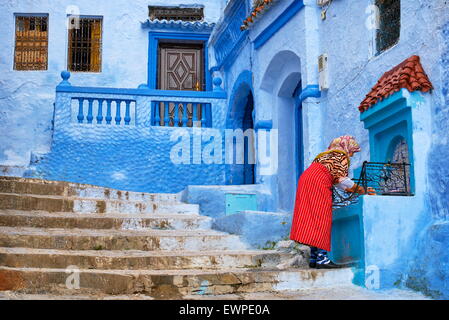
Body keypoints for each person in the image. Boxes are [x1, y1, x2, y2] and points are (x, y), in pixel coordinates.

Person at [289, 135, 374, 269]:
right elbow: (342, 181)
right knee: (322, 218)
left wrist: (354, 189)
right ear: (346, 147)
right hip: (318, 183)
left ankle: (314, 257)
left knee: (313, 218)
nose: (351, 155)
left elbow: (337, 180)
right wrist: (361, 190)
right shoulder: (340, 157)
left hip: (306, 180)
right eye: (351, 151)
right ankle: (322, 259)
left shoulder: (325, 156)